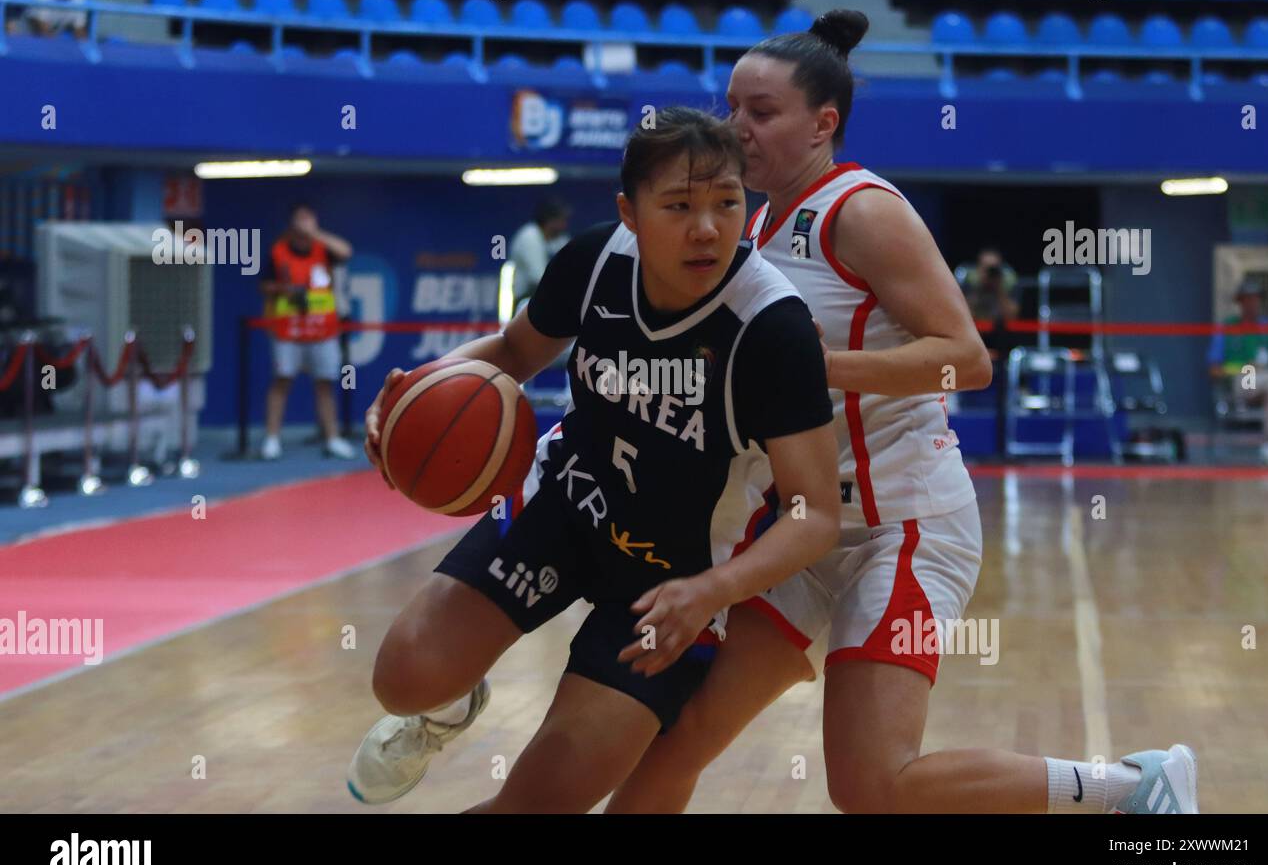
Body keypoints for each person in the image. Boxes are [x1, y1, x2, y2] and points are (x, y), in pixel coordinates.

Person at [606, 9, 1198, 814]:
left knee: (872, 785)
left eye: (762, 112)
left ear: (825, 123)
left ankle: (1133, 787)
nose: (736, 127)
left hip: (907, 526)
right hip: (803, 529)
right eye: (731, 106)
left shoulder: (863, 210)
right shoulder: (753, 222)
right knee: (674, 742)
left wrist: (810, 369)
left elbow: (968, 358)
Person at [346, 107, 842, 812]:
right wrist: (411, 394)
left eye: (727, 203)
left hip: (672, 583)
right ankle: (446, 709)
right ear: (629, 213)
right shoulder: (594, 259)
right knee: (403, 680)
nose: (707, 227)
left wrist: (715, 592)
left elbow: (814, 512)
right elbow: (513, 354)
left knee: (539, 802)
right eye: (679, 206)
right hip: (567, 504)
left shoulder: (773, 329)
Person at [259, 204, 356, 460]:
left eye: (309, 218)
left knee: (325, 384)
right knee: (281, 381)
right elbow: (264, 285)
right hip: (288, 331)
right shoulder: (278, 251)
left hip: (323, 330)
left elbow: (346, 251)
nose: (304, 223)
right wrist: (284, 290)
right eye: (300, 218)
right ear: (291, 223)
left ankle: (332, 438)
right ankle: (271, 440)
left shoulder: (324, 248)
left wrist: (316, 234)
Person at [1209, 279, 1268, 467]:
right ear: (1240, 302)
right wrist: (1243, 367)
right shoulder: (1228, 326)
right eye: (1247, 299)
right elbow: (1214, 368)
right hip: (1243, 380)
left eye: (1256, 299)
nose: (1252, 304)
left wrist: (1265, 365)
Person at [509, 197, 571, 311]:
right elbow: (537, 278)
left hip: (542, 297)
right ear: (549, 220)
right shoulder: (530, 236)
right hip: (525, 299)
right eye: (561, 220)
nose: (564, 225)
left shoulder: (558, 239)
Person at [957, 246, 1020, 324]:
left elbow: (1011, 317)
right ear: (978, 268)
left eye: (993, 269)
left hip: (1000, 332)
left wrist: (999, 289)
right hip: (975, 328)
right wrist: (980, 287)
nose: (990, 273)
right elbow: (963, 315)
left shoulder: (1008, 283)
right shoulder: (969, 281)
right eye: (986, 268)